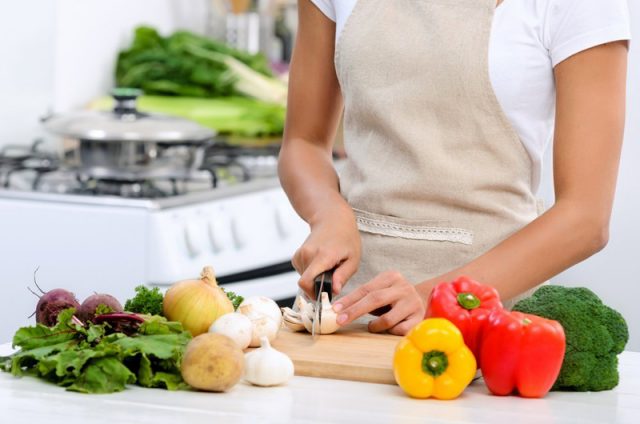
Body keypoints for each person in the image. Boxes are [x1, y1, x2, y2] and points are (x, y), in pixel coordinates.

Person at [278, 0, 631, 335]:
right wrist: (328, 215)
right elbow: (303, 142)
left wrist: (439, 298)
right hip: (346, 315)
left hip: (492, 327)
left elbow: (586, 218)